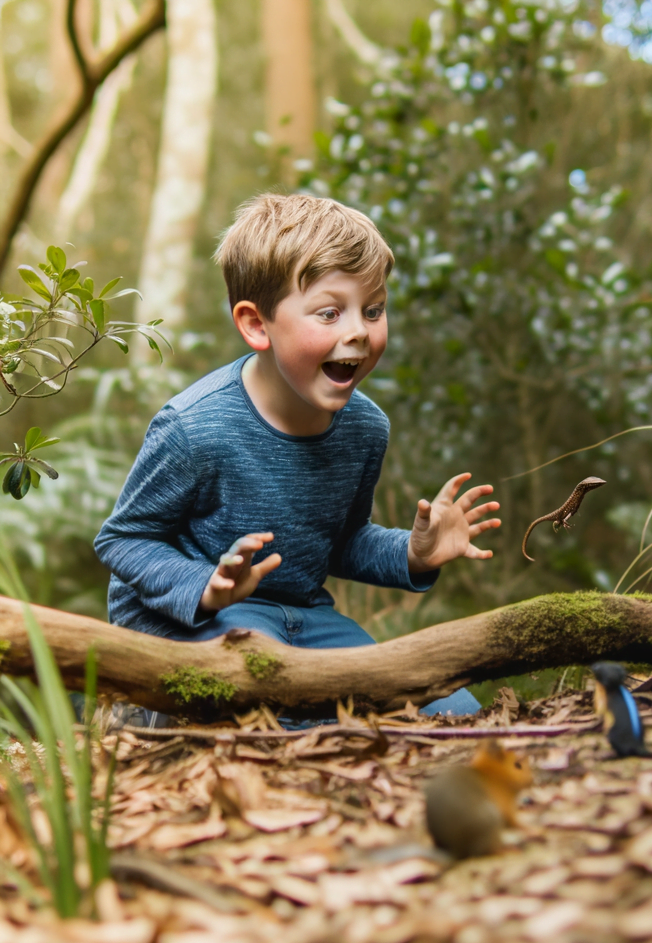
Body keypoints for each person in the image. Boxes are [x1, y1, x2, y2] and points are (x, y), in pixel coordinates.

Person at [94, 193, 500, 718]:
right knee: (273, 704)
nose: (358, 330)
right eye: (330, 312)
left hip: (300, 619)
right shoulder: (194, 427)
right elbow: (123, 539)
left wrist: (412, 555)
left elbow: (342, 541)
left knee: (448, 710)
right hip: (188, 627)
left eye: (372, 310)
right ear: (257, 324)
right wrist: (207, 587)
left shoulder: (365, 427)